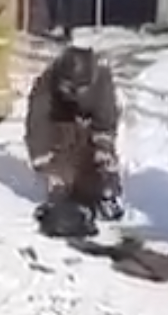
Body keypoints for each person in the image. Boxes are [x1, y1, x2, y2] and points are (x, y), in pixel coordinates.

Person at [24, 43, 120, 239]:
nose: (73, 93)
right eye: (68, 87)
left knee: (98, 171)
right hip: (59, 123)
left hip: (87, 124)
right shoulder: (47, 82)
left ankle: (105, 193)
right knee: (64, 180)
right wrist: (45, 162)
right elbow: (37, 123)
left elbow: (105, 121)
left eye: (80, 88)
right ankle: (62, 186)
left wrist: (104, 153)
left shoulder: (102, 79)